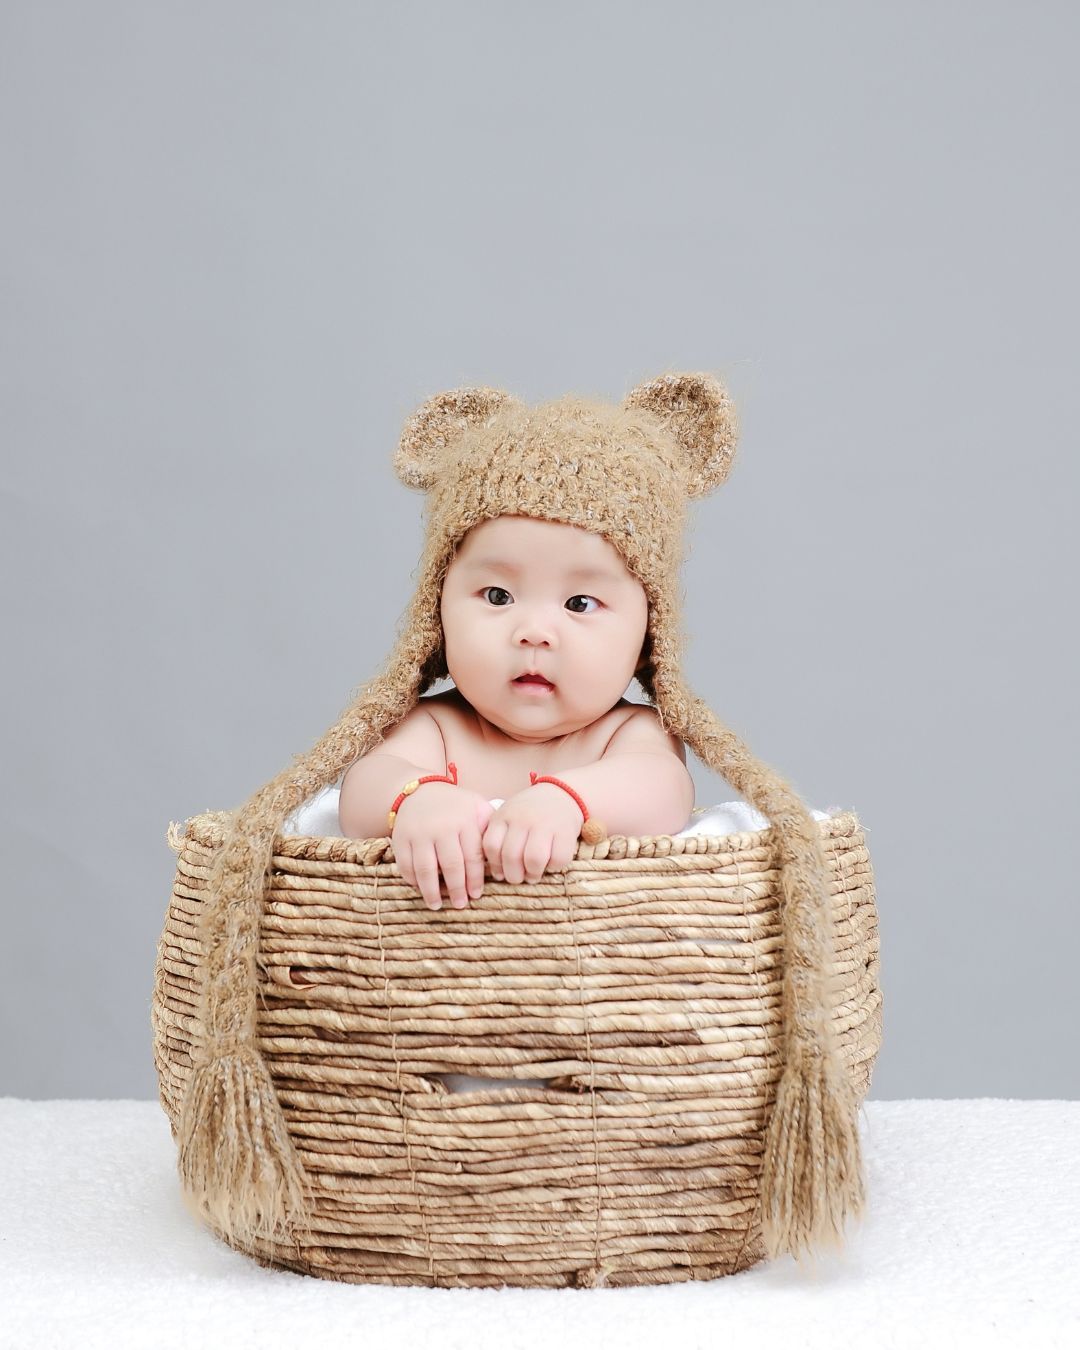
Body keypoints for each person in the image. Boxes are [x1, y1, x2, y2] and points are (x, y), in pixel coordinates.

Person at [338, 512, 695, 909]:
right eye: (497, 596)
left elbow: (665, 788)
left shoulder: (632, 731)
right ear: (436, 617)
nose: (534, 632)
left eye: (579, 604)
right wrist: (419, 798)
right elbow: (360, 793)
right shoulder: (433, 725)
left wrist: (565, 800)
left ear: (648, 641)